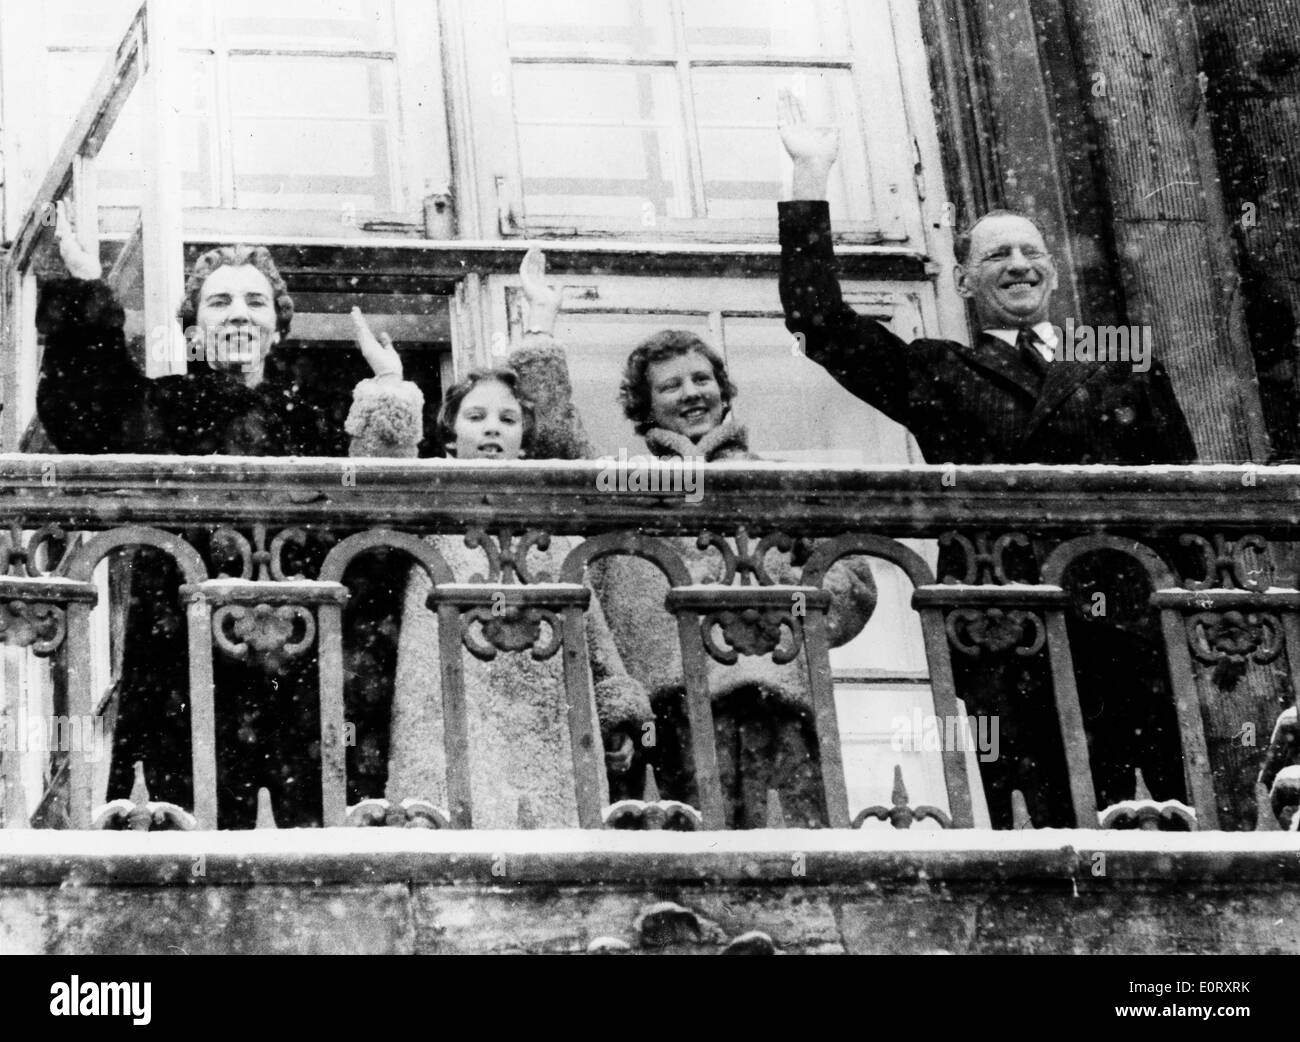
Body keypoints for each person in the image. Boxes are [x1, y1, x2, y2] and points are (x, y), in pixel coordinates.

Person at [776, 91, 1201, 828]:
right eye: (995, 254)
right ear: (966, 282)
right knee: (1047, 828)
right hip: (1005, 630)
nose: (1018, 264)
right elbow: (821, 320)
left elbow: (1185, 490)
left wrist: (1192, 608)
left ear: (1055, 274)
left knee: (1173, 822)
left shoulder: (1119, 357)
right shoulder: (940, 368)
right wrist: (811, 176)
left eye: (1032, 251)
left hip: (1129, 625)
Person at [37, 203, 424, 827]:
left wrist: (388, 394)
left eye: (254, 301)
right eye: (219, 302)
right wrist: (87, 291)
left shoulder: (319, 417)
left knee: (320, 846)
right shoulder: (160, 405)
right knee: (186, 834)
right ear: (193, 327)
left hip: (307, 661)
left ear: (278, 327)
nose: (238, 313)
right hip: (182, 663)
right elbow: (82, 412)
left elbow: (381, 521)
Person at [381, 249, 652, 828]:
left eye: (507, 420)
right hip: (449, 712)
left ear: (525, 441)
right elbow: (377, 483)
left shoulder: (546, 527)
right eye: (476, 417)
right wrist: (388, 390)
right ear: (450, 436)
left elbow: (588, 621)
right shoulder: (428, 508)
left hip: (544, 719)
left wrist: (615, 709)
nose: (492, 429)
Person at [586, 328, 879, 828]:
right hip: (668, 719)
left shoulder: (776, 482)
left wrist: (778, 616)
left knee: (790, 857)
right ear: (645, 406)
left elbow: (853, 579)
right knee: (686, 871)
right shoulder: (630, 493)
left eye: (702, 378)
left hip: (775, 705)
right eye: (671, 385)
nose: (692, 392)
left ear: (723, 389)